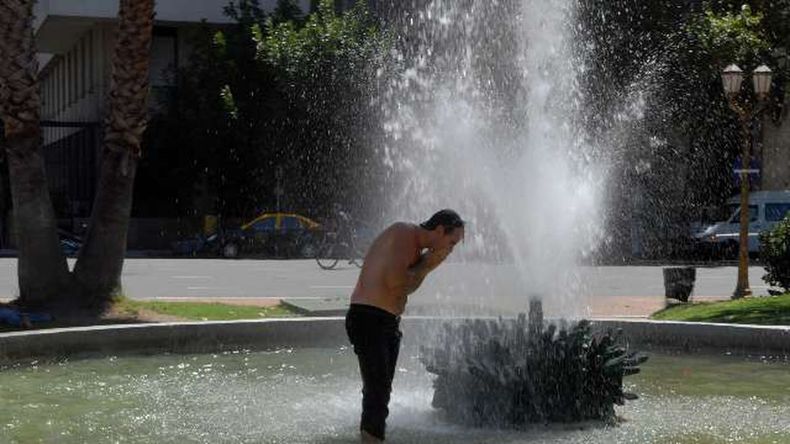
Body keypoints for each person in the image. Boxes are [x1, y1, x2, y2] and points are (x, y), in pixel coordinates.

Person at [345, 209, 465, 442]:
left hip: (387, 322)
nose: (450, 250)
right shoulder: (403, 234)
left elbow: (406, 284)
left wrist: (427, 263)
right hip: (368, 318)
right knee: (377, 392)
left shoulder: (415, 247)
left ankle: (371, 438)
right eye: (451, 242)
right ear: (440, 230)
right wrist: (429, 264)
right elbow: (398, 285)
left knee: (380, 393)